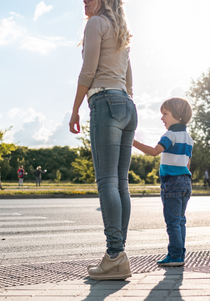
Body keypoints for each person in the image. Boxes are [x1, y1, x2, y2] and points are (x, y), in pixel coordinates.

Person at [68, 0, 136, 281]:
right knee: (120, 183)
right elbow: (129, 79)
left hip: (105, 102)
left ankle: (115, 256)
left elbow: (88, 70)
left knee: (107, 182)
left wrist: (75, 109)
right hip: (126, 106)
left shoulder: (96, 24)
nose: (84, 0)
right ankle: (117, 254)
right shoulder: (121, 30)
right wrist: (123, 100)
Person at [133, 97, 193, 267]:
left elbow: (153, 152)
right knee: (180, 220)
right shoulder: (188, 138)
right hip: (185, 182)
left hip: (171, 183)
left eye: (165, 114)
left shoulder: (170, 135)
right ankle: (179, 254)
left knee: (172, 221)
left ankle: (175, 256)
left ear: (177, 115)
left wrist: (132, 141)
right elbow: (188, 163)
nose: (162, 118)